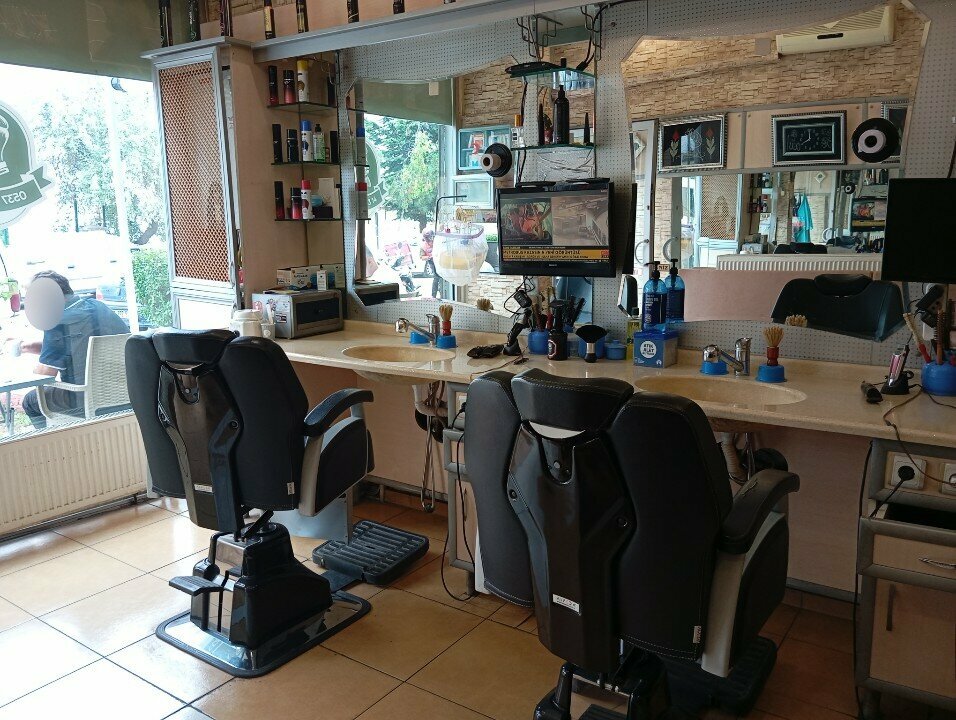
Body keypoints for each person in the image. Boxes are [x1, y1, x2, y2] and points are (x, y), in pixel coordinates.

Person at [18, 271, 128, 429]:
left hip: (83, 398)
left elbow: (43, 377)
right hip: (121, 391)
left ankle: (52, 439)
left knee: (30, 401)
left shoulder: (57, 323)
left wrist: (35, 368)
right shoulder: (99, 307)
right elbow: (81, 346)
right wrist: (28, 347)